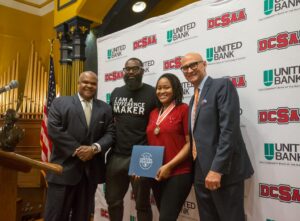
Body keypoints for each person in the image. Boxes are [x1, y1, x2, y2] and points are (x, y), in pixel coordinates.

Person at [180, 52, 254, 221]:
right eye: (185, 67)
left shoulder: (222, 85)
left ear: (204, 64)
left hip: (222, 171)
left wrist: (217, 169)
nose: (189, 70)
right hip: (200, 170)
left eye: (194, 64)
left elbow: (229, 130)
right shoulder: (193, 98)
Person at [44, 71, 115, 221]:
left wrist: (93, 149)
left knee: (82, 217)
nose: (89, 86)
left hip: (89, 174)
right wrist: (79, 150)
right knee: (55, 216)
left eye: (93, 83)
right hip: (63, 171)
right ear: (78, 84)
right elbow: (54, 130)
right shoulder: (60, 103)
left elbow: (110, 134)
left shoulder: (105, 108)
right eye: (85, 82)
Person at [105, 57, 157, 221]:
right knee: (113, 201)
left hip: (142, 154)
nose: (131, 72)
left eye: (135, 68)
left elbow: (157, 126)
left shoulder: (153, 93)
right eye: (127, 69)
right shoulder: (116, 92)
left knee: (142, 204)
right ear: (124, 72)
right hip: (117, 154)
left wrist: (147, 159)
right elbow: (110, 123)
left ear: (142, 70)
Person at [146, 73, 193, 221]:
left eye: (166, 87)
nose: (161, 91)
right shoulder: (153, 113)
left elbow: (189, 143)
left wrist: (169, 165)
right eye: (159, 88)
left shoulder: (183, 109)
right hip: (157, 173)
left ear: (175, 89)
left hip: (178, 172)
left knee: (166, 218)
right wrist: (142, 167)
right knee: (165, 216)